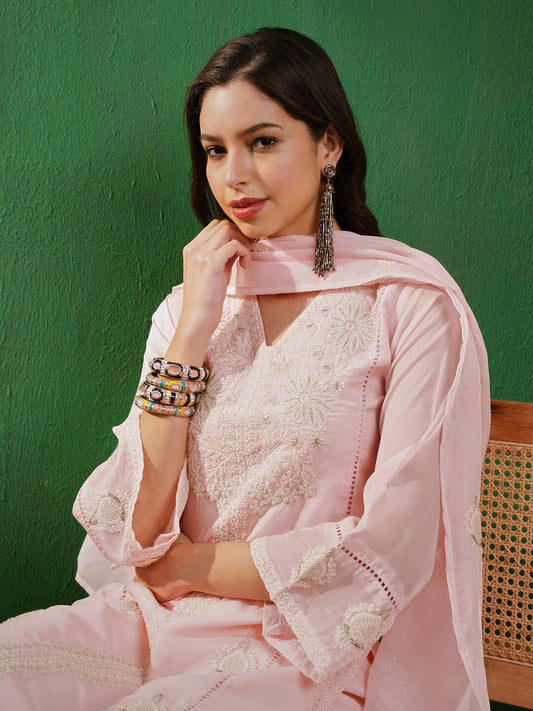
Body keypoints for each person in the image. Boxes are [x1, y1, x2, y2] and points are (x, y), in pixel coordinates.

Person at [0, 27, 491, 711]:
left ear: (328, 145)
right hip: (155, 622)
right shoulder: (186, 309)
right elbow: (139, 527)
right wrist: (192, 331)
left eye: (261, 142)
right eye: (214, 150)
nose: (233, 175)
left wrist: (189, 565)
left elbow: (393, 544)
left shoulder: (408, 304)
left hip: (307, 649)